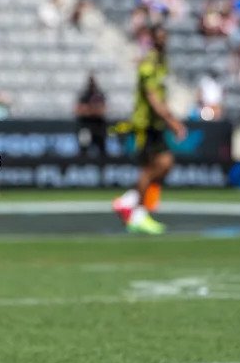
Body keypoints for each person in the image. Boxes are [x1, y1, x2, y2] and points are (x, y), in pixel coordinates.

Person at [111, 26, 187, 234]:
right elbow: (153, 98)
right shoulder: (150, 64)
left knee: (158, 165)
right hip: (146, 125)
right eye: (160, 37)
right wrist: (173, 122)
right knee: (158, 164)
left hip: (154, 124)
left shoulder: (160, 63)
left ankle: (128, 202)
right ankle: (137, 213)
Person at [75, 73, 108, 158]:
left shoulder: (100, 94)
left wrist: (89, 109)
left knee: (102, 152)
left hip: (98, 126)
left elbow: (102, 110)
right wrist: (93, 110)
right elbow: (79, 110)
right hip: (86, 126)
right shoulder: (83, 95)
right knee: (83, 150)